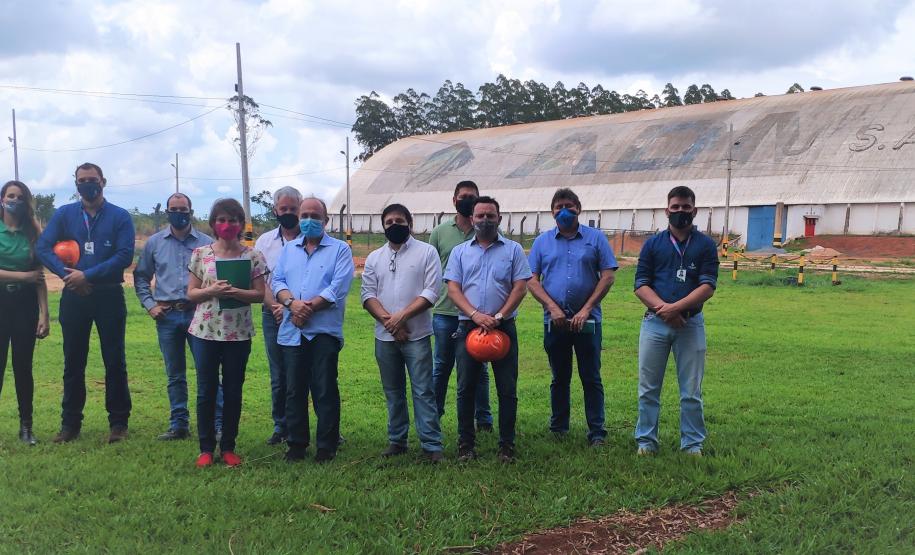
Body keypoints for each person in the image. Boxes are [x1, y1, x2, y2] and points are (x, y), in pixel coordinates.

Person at [36, 162, 135, 444]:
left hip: (109, 294)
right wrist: (67, 275)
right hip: (73, 296)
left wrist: (87, 275)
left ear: (103, 181)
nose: (87, 184)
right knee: (73, 361)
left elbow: (124, 255)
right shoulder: (65, 214)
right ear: (75, 183)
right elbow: (43, 248)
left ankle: (118, 423)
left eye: (92, 179)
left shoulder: (119, 216)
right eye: (82, 180)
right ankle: (70, 425)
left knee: (115, 360)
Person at [633, 186, 719, 456]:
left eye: (685, 207)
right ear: (666, 210)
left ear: (695, 209)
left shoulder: (705, 245)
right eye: (675, 207)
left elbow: (708, 286)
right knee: (648, 389)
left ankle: (692, 444)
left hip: (690, 325)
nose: (680, 211)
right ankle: (646, 442)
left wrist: (677, 309)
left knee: (691, 391)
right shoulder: (653, 245)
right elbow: (640, 285)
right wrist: (664, 311)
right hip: (655, 324)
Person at [528, 188, 618, 447]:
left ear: (579, 208)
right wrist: (552, 308)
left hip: (587, 322)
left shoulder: (596, 238)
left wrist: (587, 308)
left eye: (569, 205)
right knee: (559, 377)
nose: (564, 210)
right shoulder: (541, 242)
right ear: (552, 211)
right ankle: (559, 427)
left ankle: (597, 432)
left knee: (591, 376)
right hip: (554, 322)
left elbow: (608, 276)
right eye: (559, 206)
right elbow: (532, 281)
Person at [444, 196, 531, 462]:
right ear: (472, 219)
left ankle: (506, 446)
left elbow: (520, 286)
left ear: (499, 219)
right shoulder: (460, 252)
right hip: (468, 326)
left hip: (503, 326)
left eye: (490, 215)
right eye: (480, 216)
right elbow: (453, 288)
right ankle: (466, 445)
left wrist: (499, 315)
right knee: (465, 387)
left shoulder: (514, 250)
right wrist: (475, 315)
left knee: (507, 388)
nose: (484, 220)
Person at [272, 197, 354, 464]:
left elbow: (338, 287)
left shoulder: (340, 250)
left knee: (324, 388)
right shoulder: (289, 250)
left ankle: (326, 446)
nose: (308, 220)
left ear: (326, 220)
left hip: (324, 332)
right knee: (294, 389)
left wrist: (308, 308)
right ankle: (296, 445)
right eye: (304, 215)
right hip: (292, 332)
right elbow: (278, 280)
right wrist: (291, 304)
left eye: (314, 216)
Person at [186, 198, 267, 467]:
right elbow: (192, 293)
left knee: (233, 390)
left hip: (238, 333)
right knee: (206, 390)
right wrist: (212, 291)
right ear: (213, 223)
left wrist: (235, 292)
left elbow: (259, 295)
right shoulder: (200, 254)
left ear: (241, 224)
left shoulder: (252, 256)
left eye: (232, 220)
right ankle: (206, 448)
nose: (227, 225)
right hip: (205, 333)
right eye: (221, 219)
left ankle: (228, 446)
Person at [361, 203, 444, 462]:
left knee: (423, 390)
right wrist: (390, 322)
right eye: (389, 222)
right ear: (383, 226)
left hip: (416, 334)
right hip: (385, 337)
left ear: (410, 222)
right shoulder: (375, 258)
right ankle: (397, 440)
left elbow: (431, 292)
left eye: (399, 221)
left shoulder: (427, 252)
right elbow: (367, 294)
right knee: (393, 391)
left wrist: (402, 317)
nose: (394, 225)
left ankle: (431, 445)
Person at [134, 192, 220, 441]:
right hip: (167, 316)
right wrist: (150, 305)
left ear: (191, 212)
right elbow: (141, 277)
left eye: (183, 209)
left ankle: (217, 424)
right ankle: (179, 424)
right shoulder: (154, 243)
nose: (179, 213)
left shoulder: (206, 243)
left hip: (199, 314)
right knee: (175, 374)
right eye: (174, 209)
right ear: (167, 212)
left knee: (209, 371)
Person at [429, 180, 493, 432]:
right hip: (446, 312)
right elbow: (432, 270)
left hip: (478, 315)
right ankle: (434, 416)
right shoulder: (440, 232)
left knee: (480, 368)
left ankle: (484, 419)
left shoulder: (484, 231)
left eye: (472, 197)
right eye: (463, 196)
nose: (467, 200)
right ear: (454, 200)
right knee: (441, 366)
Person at [0, 181, 50, 445]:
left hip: (25, 306)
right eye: (10, 195)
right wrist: (24, 276)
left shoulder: (32, 233)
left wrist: (44, 314)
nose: (14, 200)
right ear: (2, 199)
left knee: (23, 367)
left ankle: (26, 427)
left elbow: (39, 277)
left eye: (20, 197)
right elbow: (31, 276)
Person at [253, 186, 303, 446]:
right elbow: (260, 281)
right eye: (283, 209)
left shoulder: (312, 237)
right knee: (279, 375)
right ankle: (281, 426)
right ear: (275, 210)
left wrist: (292, 307)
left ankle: (325, 426)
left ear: (301, 208)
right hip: (272, 314)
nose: (288, 213)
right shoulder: (264, 242)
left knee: (311, 373)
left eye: (293, 209)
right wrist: (275, 307)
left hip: (304, 315)